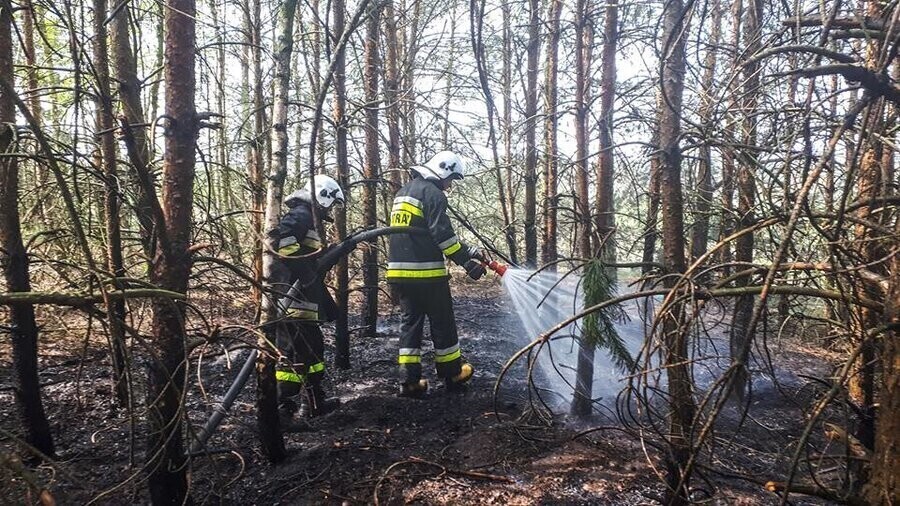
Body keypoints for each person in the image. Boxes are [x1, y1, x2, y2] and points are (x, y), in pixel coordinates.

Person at [386, 150, 487, 397]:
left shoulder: (404, 192)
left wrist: (470, 250)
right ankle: (453, 374)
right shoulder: (433, 194)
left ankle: (409, 382)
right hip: (427, 274)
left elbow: (421, 233)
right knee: (442, 323)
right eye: (450, 179)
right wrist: (467, 261)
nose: (450, 185)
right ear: (443, 172)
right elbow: (443, 237)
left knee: (410, 324)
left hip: (399, 274)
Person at [269, 175, 349, 430]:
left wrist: (331, 254)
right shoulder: (302, 214)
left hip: (302, 302)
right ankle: (283, 411)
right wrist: (305, 273)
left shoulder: (307, 217)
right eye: (329, 204)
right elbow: (282, 240)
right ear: (323, 196)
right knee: (293, 356)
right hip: (292, 302)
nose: (327, 210)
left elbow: (307, 257)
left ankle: (313, 403)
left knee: (312, 352)